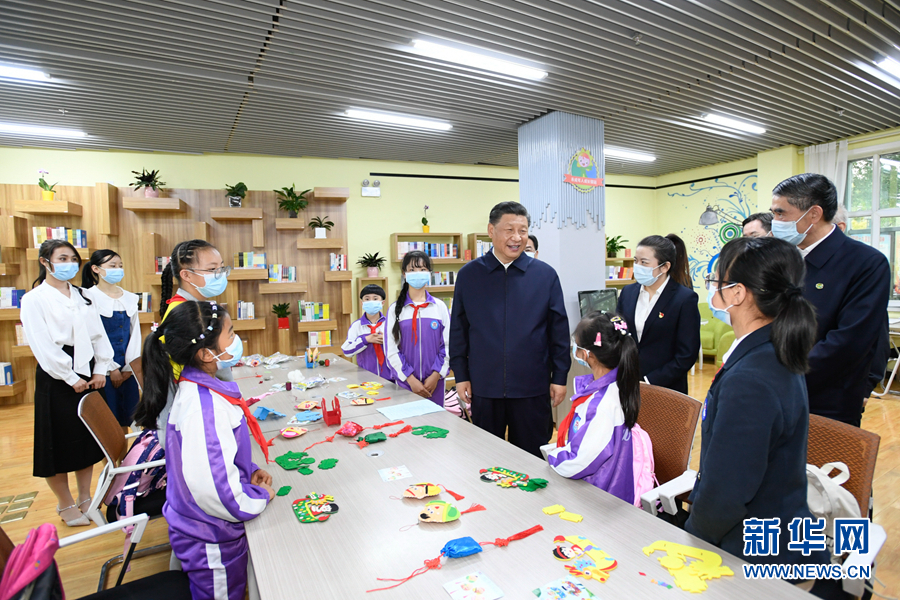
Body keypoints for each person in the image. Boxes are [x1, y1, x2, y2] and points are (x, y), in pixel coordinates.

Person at [685, 236, 830, 584]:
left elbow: (727, 493)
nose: (713, 289)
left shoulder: (751, 379)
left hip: (756, 554)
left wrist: (690, 542)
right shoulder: (772, 352)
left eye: (716, 281)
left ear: (737, 293)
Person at [139, 301, 273, 600]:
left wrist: (248, 470)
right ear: (206, 353)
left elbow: (215, 457)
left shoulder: (202, 390)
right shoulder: (203, 407)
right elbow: (215, 490)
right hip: (211, 535)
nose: (237, 340)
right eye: (231, 333)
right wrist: (260, 497)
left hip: (206, 526)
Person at [449, 201, 570, 458]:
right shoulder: (470, 275)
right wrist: (461, 374)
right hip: (484, 387)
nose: (517, 238)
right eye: (509, 230)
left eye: (523, 230)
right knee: (484, 457)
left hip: (532, 388)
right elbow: (459, 329)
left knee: (533, 459)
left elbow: (558, 331)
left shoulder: (545, 276)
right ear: (491, 231)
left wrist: (559, 377)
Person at [771, 173, 890, 425]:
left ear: (813, 214)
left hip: (829, 399)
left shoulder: (865, 263)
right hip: (777, 390)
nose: (775, 222)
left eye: (781, 213)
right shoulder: (786, 259)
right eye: (773, 213)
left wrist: (785, 372)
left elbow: (849, 341)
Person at [21, 240, 114, 527]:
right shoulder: (34, 299)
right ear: (45, 262)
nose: (70, 264)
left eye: (73, 258)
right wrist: (71, 377)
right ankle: (65, 503)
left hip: (87, 370)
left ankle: (86, 497)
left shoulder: (83, 295)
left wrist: (100, 369)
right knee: (56, 443)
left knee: (84, 439)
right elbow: (43, 345)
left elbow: (99, 335)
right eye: (62, 258)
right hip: (57, 376)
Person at [548, 313, 650, 506]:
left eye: (577, 347)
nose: (575, 351)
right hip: (607, 482)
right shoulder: (616, 385)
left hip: (599, 495)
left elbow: (581, 460)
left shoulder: (602, 405)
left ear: (589, 354)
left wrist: (553, 458)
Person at [136, 239, 233, 444]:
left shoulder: (195, 308)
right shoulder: (189, 316)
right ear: (187, 275)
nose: (221, 274)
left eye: (222, 267)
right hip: (188, 423)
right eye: (212, 269)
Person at [616, 234, 700, 395]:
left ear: (664, 267)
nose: (637, 266)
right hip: (627, 383)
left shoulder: (684, 298)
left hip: (665, 388)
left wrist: (650, 381)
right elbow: (619, 334)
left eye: (644, 262)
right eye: (635, 261)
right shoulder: (628, 292)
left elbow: (687, 354)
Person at [81, 250, 141, 433]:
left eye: (120, 266)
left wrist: (129, 368)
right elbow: (92, 336)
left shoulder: (130, 297)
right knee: (108, 422)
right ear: (96, 269)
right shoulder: (87, 297)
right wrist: (111, 368)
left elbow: (135, 334)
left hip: (128, 370)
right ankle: (114, 460)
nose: (118, 270)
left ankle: (128, 460)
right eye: (112, 266)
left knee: (130, 417)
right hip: (102, 371)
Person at [386, 251, 450, 405]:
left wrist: (436, 375)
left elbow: (449, 345)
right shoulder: (395, 309)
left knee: (436, 426)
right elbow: (391, 350)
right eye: (412, 270)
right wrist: (410, 379)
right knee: (407, 427)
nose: (418, 274)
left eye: (422, 269)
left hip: (434, 384)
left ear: (429, 273)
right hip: (405, 384)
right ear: (404, 274)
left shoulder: (439, 307)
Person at [342, 284, 391, 380]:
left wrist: (387, 340)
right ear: (362, 303)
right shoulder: (356, 326)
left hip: (390, 377)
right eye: (367, 299)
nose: (371, 301)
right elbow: (347, 351)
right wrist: (365, 340)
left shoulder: (390, 323)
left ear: (382, 302)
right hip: (365, 378)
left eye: (375, 298)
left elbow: (401, 347)